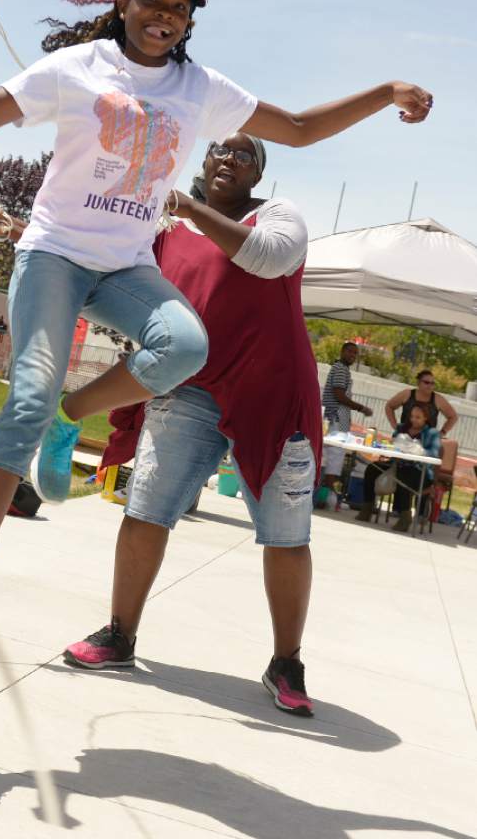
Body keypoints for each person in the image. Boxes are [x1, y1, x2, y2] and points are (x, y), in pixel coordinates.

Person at [0, 0, 433, 667]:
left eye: (180, 7)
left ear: (189, 23)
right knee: (27, 395)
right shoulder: (76, 70)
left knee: (186, 347)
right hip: (56, 255)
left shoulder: (200, 89)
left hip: (125, 265)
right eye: (153, 1)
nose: (166, 16)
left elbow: (303, 129)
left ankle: (71, 421)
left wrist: (386, 90)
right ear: (124, 3)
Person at [60, 133, 322, 716]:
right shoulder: (163, 225)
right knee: (147, 509)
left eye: (245, 155)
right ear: (203, 161)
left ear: (258, 175)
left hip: (272, 396)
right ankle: (120, 634)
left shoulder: (277, 218)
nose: (229, 158)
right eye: (219, 150)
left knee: (286, 533)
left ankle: (287, 661)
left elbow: (267, 257)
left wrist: (192, 208)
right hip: (191, 390)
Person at [355, 404, 441, 532]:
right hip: (396, 463)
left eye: (418, 417)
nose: (413, 420)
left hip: (419, 470)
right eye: (412, 416)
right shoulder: (402, 428)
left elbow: (434, 453)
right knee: (372, 468)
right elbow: (392, 445)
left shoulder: (431, 433)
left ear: (426, 418)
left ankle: (405, 517)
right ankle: (367, 507)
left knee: (404, 475)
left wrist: (418, 450)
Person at [320, 342, 373, 496]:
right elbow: (339, 395)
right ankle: (326, 493)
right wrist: (361, 408)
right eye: (350, 351)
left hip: (335, 418)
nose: (352, 355)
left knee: (329, 458)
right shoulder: (340, 369)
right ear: (342, 351)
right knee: (334, 458)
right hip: (335, 418)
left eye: (355, 353)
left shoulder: (341, 369)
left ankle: (324, 493)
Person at [385, 369, 458, 437]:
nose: (430, 386)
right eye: (426, 382)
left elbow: (453, 417)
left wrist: (442, 433)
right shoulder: (407, 394)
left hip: (426, 441)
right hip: (404, 437)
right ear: (418, 383)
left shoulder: (438, 399)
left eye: (432, 383)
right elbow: (389, 406)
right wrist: (394, 425)